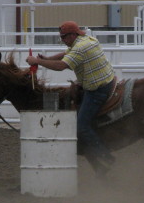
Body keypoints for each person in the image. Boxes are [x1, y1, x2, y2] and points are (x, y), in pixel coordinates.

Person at [26, 21, 116, 172]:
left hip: (97, 89)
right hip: (107, 80)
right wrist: (47, 59)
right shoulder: (86, 40)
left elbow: (62, 66)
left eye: (63, 37)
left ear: (72, 35)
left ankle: (106, 156)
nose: (62, 40)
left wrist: (38, 61)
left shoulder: (79, 48)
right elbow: (66, 54)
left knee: (82, 126)